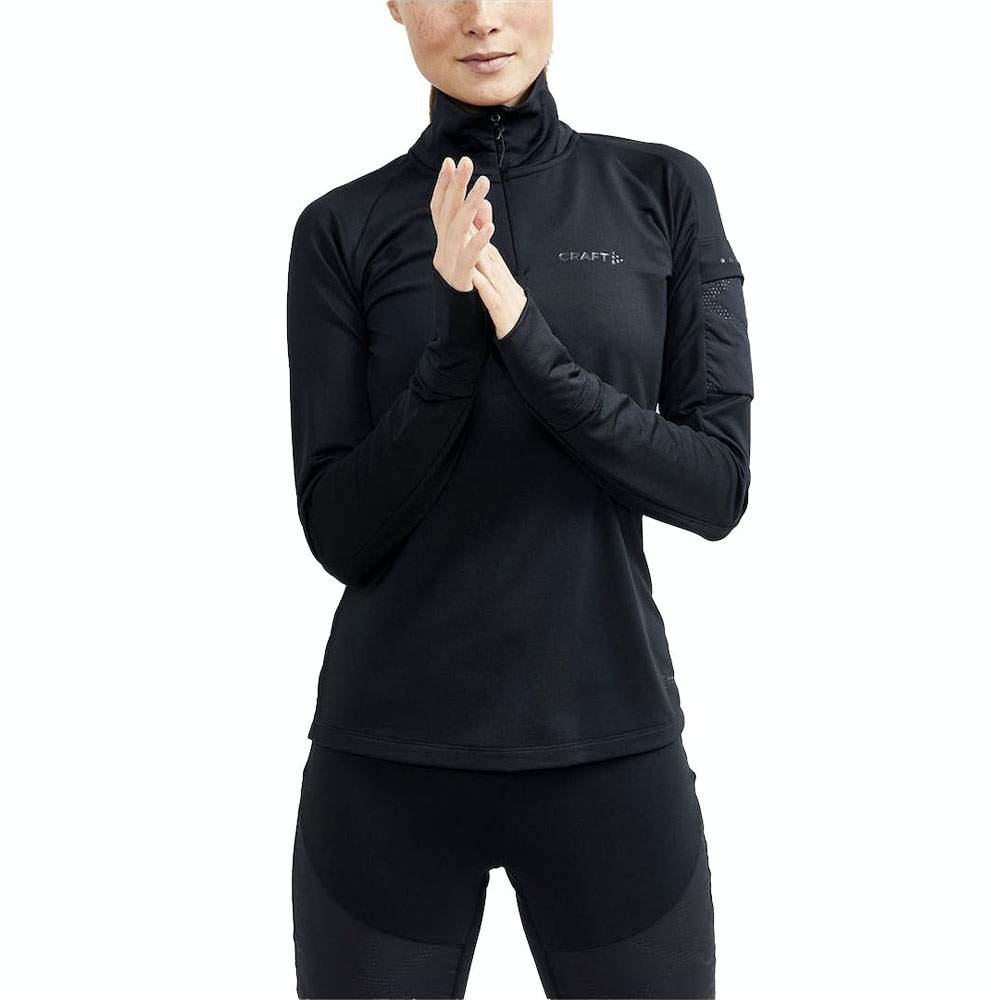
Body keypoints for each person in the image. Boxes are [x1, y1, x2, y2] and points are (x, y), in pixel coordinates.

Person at [285, 2, 753, 997]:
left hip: (610, 753)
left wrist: (528, 344)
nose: (482, 19)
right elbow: (338, 530)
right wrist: (456, 342)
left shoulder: (662, 189)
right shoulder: (341, 227)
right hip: (387, 770)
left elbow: (715, 484)